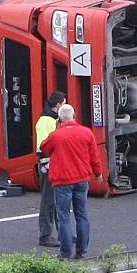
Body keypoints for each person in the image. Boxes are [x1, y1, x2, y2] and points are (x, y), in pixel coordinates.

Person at [40, 104, 103, 260]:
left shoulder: (56, 135)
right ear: (74, 115)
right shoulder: (86, 133)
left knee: (64, 216)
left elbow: (44, 148)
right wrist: (98, 173)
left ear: (60, 118)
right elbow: (94, 156)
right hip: (81, 179)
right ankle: (82, 251)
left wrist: (56, 128)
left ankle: (65, 253)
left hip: (62, 180)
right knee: (82, 215)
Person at [35, 91, 66, 248]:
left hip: (53, 165)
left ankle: (62, 233)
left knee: (56, 200)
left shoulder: (52, 120)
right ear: (59, 104)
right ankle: (45, 235)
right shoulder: (46, 121)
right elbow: (42, 146)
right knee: (49, 201)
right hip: (49, 166)